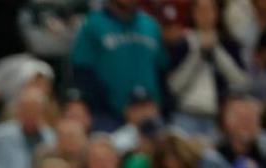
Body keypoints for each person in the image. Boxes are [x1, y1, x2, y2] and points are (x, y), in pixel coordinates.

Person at [71, 0, 166, 131]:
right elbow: (83, 72)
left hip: (150, 114)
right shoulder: (92, 25)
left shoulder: (151, 25)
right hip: (107, 114)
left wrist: (156, 105)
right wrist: (108, 106)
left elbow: (161, 71)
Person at [166, 0, 250, 136]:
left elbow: (242, 82)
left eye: (210, 10)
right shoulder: (182, 45)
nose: (205, 15)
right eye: (200, 10)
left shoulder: (228, 43)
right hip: (185, 115)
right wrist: (197, 53)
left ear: (217, 13)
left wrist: (216, 51)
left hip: (217, 118)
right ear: (193, 13)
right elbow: (174, 86)